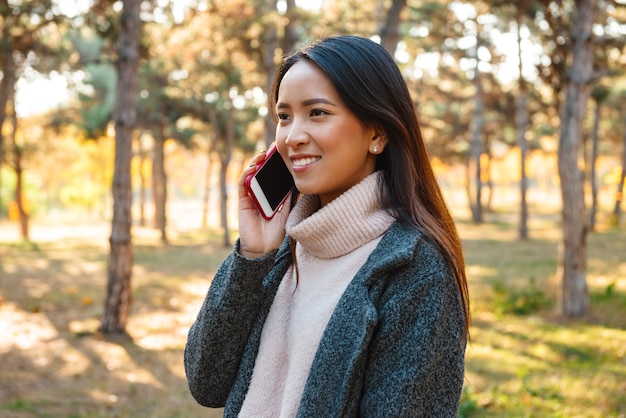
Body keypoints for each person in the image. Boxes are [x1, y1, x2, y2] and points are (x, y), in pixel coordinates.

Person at [184, 35, 470, 417]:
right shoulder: (285, 249)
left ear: (377, 133)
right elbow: (206, 382)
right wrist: (252, 257)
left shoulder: (416, 269)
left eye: (316, 112)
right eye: (284, 116)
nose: (292, 136)